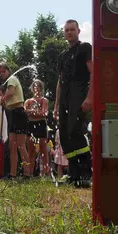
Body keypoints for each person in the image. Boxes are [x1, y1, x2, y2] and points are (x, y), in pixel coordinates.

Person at [54, 19, 92, 187]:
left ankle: (86, 174)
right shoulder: (62, 55)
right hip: (65, 96)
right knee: (64, 134)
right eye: (66, 30)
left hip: (79, 91)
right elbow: (60, 82)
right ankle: (73, 174)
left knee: (75, 130)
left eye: (72, 29)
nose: (69, 32)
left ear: (78, 31)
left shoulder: (85, 48)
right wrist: (56, 105)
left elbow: (94, 73)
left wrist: (90, 97)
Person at [0, 62, 30, 179]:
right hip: (11, 113)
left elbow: (10, 93)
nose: (1, 74)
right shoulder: (5, 85)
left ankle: (27, 173)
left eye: (3, 71)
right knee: (12, 146)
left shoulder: (12, 79)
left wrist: (3, 98)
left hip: (19, 112)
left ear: (8, 71)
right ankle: (13, 174)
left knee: (21, 145)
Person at [24, 79, 49, 177]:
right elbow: (25, 113)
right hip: (30, 125)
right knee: (31, 151)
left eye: (38, 86)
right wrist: (35, 113)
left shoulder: (44, 100)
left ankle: (45, 174)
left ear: (41, 88)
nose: (36, 88)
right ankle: (29, 173)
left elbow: (44, 114)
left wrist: (32, 112)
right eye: (34, 86)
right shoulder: (28, 101)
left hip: (41, 125)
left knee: (43, 150)